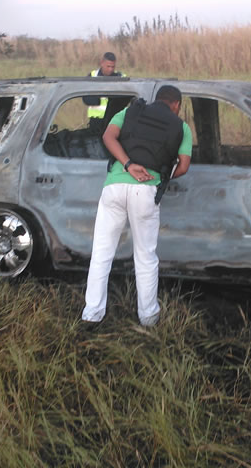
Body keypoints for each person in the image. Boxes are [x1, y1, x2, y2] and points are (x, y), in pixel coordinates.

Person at [81, 85, 192, 327]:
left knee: (101, 253)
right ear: (177, 105)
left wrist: (129, 164)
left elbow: (108, 137)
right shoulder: (181, 127)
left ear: (156, 99)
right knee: (145, 256)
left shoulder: (130, 112)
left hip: (114, 187)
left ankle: (92, 314)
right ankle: (148, 317)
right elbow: (183, 165)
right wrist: (159, 177)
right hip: (146, 190)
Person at [86, 52, 122, 120]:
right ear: (102, 63)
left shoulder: (120, 77)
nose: (110, 69)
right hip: (96, 119)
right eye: (108, 66)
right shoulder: (92, 76)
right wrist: (97, 100)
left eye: (113, 67)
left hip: (114, 119)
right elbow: (86, 98)